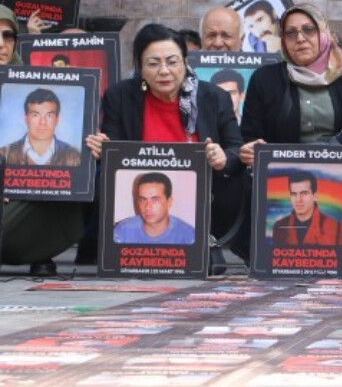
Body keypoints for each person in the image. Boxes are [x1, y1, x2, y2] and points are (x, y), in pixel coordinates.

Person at [85, 24, 247, 266]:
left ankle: (212, 241)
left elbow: (236, 149)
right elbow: (113, 150)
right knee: (100, 179)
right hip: (143, 190)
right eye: (153, 63)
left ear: (185, 62)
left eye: (172, 62)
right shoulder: (119, 96)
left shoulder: (213, 97)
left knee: (239, 182)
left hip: (202, 192)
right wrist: (102, 148)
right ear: (140, 67)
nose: (164, 71)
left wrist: (222, 157)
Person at [240, 4, 342, 271]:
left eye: (309, 30)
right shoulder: (264, 79)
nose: (301, 38)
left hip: (339, 159)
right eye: (291, 33)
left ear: (323, 33)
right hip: (285, 162)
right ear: (282, 40)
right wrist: (251, 148)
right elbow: (249, 134)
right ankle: (271, 263)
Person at [0, 6, 84, 277]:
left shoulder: (32, 79)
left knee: (57, 183)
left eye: (8, 36)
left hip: (29, 195)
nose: (1, 44)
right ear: (26, 118)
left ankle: (40, 251)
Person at [0, 88, 82, 166]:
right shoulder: (4, 154)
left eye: (49, 115)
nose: (42, 122)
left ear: (57, 119)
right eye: (35, 115)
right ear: (26, 119)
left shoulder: (75, 157)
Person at [112, 172, 196, 245]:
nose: (148, 207)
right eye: (143, 200)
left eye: (155, 200)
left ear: (169, 201)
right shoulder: (122, 232)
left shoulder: (189, 237)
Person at [272, 170, 342, 246]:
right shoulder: (279, 227)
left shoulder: (337, 229)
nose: (298, 200)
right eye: (294, 194)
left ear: (315, 196)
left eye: (304, 193)